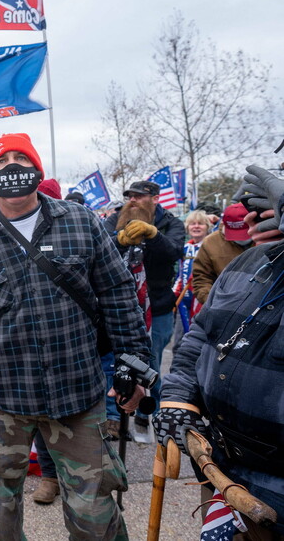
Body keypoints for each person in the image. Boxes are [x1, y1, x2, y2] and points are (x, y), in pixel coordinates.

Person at [0, 133, 151, 540]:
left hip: (77, 394)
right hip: (1, 398)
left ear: (37, 168)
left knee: (94, 509)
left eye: (21, 158)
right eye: (2, 160)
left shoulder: (81, 222)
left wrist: (134, 365)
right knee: (0, 506)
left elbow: (119, 294)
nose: (12, 166)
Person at [155, 164, 284, 539]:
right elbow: (201, 334)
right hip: (224, 467)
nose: (258, 216)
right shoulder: (249, 261)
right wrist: (178, 396)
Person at [103, 178, 184, 439]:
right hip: (118, 307)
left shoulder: (171, 223)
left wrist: (153, 234)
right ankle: (114, 418)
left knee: (152, 364)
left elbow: (174, 251)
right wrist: (120, 239)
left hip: (157, 306)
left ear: (155, 198)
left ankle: (152, 418)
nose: (133, 200)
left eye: (139, 196)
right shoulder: (114, 219)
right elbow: (98, 247)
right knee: (114, 364)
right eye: (130, 196)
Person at [192, 202, 253, 306]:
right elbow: (201, 278)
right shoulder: (210, 243)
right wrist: (211, 302)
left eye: (243, 232)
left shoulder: (269, 238)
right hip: (223, 306)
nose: (240, 239)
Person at [173, 209, 211, 342]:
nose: (196, 226)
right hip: (184, 301)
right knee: (179, 341)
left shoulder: (211, 247)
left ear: (207, 227)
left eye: (200, 223)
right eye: (192, 224)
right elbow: (180, 274)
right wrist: (174, 294)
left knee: (199, 341)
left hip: (203, 300)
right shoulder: (185, 248)